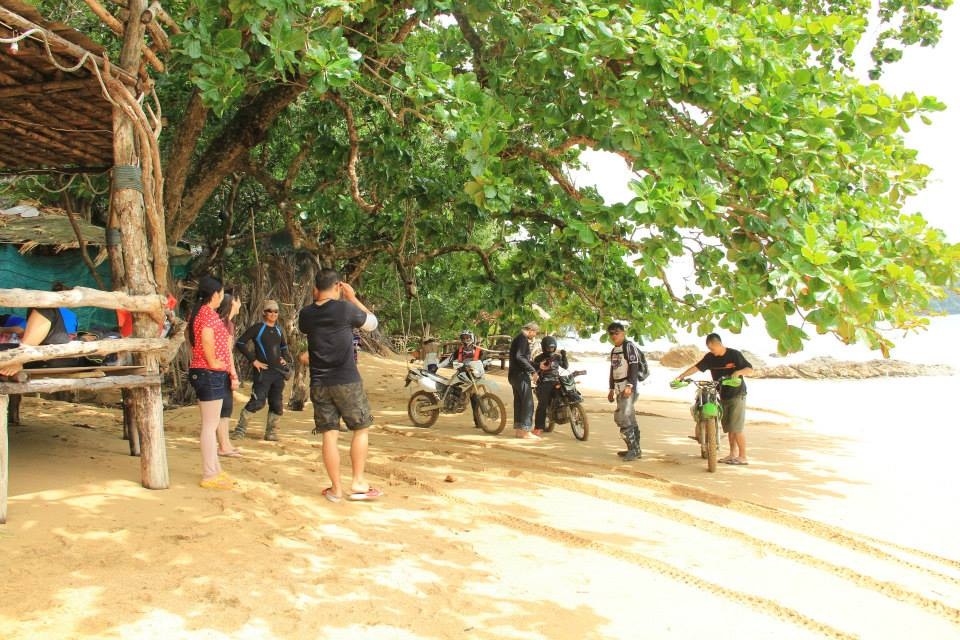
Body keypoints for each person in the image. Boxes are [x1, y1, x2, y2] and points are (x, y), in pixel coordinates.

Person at [298, 269, 382, 503]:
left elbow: (308, 326)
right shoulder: (346, 309)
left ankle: (335, 489)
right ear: (338, 287)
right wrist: (352, 298)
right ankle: (358, 483)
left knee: (329, 434)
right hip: (347, 380)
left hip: (319, 383)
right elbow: (372, 324)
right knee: (361, 428)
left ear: (315, 288)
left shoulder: (306, 314)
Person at [186, 275, 236, 490]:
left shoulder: (202, 313)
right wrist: (214, 362)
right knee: (209, 426)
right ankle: (209, 474)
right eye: (222, 293)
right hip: (208, 372)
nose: (223, 297)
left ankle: (215, 469)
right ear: (215, 294)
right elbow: (206, 339)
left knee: (212, 424)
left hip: (208, 372)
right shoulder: (206, 314)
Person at [674, 333, 754, 465]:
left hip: (737, 394)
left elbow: (750, 370)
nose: (711, 351)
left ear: (719, 344)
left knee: (736, 428)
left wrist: (737, 372)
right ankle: (732, 454)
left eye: (712, 348)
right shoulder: (710, 357)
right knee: (729, 428)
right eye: (709, 349)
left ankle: (743, 456)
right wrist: (681, 376)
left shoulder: (734, 355)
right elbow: (696, 368)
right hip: (722, 395)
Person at [232, 299, 291, 442]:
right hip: (263, 373)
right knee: (258, 402)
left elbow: (283, 347)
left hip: (278, 374)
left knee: (277, 404)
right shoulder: (258, 328)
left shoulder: (278, 330)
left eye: (276, 311)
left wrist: (285, 359)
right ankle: (240, 430)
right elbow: (240, 343)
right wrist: (253, 360)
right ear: (264, 312)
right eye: (270, 311)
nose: (273, 314)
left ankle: (271, 432)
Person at [607, 322, 649, 461]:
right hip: (619, 388)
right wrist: (611, 389)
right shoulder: (614, 350)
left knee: (622, 418)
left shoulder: (628, 346)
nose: (614, 335)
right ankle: (636, 449)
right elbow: (613, 370)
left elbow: (634, 366)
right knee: (630, 419)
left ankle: (633, 450)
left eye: (616, 333)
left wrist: (630, 386)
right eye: (611, 333)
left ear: (623, 333)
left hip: (627, 388)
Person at [215, 292, 242, 457]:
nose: (240, 304)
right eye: (237, 302)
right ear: (232, 304)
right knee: (224, 409)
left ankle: (225, 444)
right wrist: (233, 374)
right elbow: (227, 352)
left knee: (225, 409)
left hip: (218, 369)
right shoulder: (226, 324)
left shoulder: (223, 322)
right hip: (222, 370)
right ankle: (224, 445)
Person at [508, 322, 540, 439]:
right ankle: (526, 431)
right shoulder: (522, 339)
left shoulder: (518, 338)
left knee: (519, 402)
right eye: (535, 332)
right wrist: (533, 372)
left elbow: (523, 358)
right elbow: (520, 357)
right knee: (528, 403)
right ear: (530, 330)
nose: (535, 335)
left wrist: (538, 366)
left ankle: (519, 431)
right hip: (520, 375)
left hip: (513, 375)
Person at [532, 335, 568, 436]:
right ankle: (538, 427)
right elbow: (534, 369)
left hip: (556, 381)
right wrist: (538, 371)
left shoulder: (557, 357)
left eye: (552, 348)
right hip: (544, 383)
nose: (551, 349)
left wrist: (564, 356)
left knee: (565, 396)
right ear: (544, 347)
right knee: (542, 405)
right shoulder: (539, 358)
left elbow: (565, 366)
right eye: (548, 348)